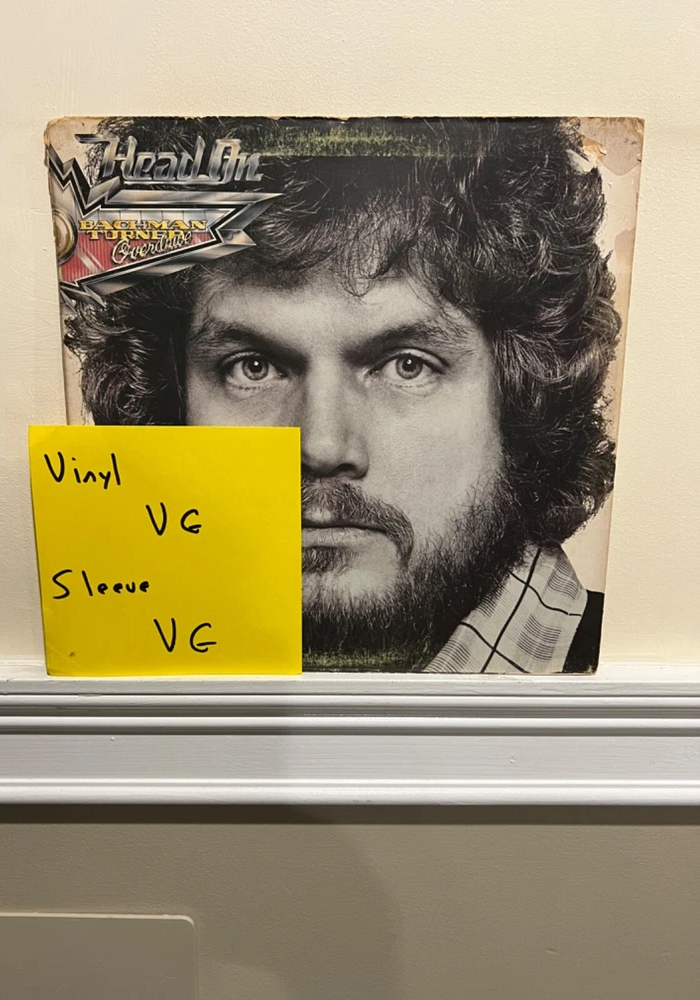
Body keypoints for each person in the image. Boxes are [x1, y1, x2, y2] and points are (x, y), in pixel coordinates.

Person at [64, 116, 620, 674]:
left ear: (525, 397)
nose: (322, 447)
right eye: (253, 368)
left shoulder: (632, 659)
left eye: (407, 366)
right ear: (170, 400)